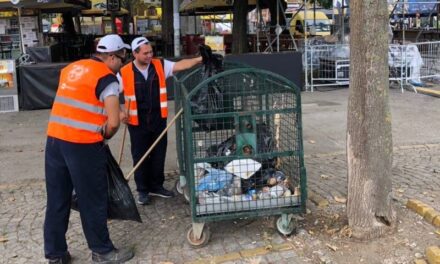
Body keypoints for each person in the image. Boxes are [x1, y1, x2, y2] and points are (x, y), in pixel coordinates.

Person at [44, 34, 134, 264]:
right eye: (122, 57)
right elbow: (113, 122)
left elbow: (78, 101)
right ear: (113, 57)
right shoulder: (107, 78)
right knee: (92, 199)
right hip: (83, 146)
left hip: (55, 141)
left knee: (57, 199)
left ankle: (55, 255)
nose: (123, 62)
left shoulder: (71, 68)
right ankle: (102, 251)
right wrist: (103, 134)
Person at [120, 37, 202, 205]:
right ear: (135, 54)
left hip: (158, 119)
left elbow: (182, 65)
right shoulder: (124, 72)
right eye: (145, 53)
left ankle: (156, 186)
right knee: (140, 156)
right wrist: (120, 112)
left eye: (151, 52)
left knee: (159, 154)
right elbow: (110, 94)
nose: (150, 55)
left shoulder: (160, 65)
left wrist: (201, 58)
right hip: (137, 122)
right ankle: (143, 190)